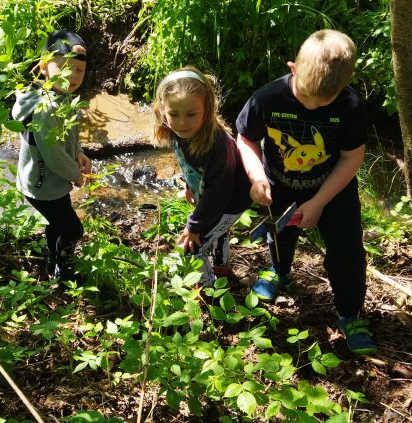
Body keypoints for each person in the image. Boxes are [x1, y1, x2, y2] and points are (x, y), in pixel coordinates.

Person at [235, 29, 376, 355]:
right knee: (280, 234)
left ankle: (350, 313)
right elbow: (246, 139)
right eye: (305, 95)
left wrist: (319, 202)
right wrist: (256, 177)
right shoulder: (267, 98)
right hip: (279, 184)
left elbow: (351, 158)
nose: (312, 105)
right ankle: (279, 270)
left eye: (323, 101)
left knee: (347, 251)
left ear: (348, 81)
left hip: (333, 191)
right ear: (293, 69)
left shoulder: (352, 106)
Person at [151, 67, 252, 289]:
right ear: (162, 109)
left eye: (191, 114)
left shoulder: (217, 146)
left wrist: (194, 226)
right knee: (219, 234)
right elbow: (187, 164)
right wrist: (190, 186)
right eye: (174, 114)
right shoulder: (178, 133)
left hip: (231, 201)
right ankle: (222, 270)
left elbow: (218, 194)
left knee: (192, 247)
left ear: (207, 110)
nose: (182, 123)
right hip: (215, 198)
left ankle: (207, 292)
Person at [14, 30, 92, 283]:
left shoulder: (61, 97)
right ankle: (63, 266)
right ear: (44, 67)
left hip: (49, 181)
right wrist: (77, 175)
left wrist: (78, 152)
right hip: (42, 184)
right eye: (65, 68)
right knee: (73, 230)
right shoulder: (46, 108)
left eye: (79, 70)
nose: (73, 76)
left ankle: (52, 260)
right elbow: (54, 156)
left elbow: (69, 135)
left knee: (57, 222)